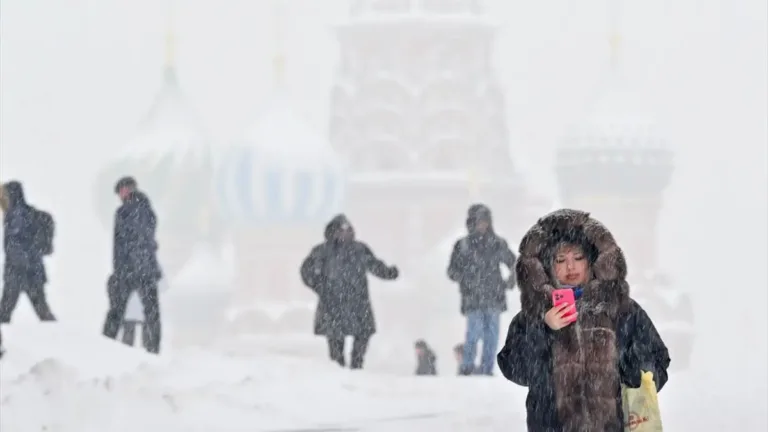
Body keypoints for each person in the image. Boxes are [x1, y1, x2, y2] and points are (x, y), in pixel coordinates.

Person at [497, 209, 671, 432]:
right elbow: (515, 369)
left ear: (593, 261)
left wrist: (634, 368)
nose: (571, 267)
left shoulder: (622, 310)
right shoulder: (531, 317)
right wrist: (542, 329)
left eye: (578, 258)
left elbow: (656, 362)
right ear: (547, 266)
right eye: (561, 260)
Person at [300, 214, 399, 370]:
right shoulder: (322, 251)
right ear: (333, 232)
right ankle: (338, 370)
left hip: (357, 302)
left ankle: (356, 366)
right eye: (341, 230)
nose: (345, 233)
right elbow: (306, 272)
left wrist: (389, 273)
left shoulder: (359, 249)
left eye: (348, 230)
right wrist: (321, 288)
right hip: (333, 303)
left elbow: (374, 265)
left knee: (362, 336)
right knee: (335, 342)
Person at [447, 204, 516, 376]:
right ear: (471, 223)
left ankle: (487, 368)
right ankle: (467, 366)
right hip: (472, 297)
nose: (482, 225)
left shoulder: (498, 244)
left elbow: (514, 264)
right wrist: (465, 278)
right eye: (478, 222)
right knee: (473, 334)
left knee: (491, 337)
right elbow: (452, 271)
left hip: (494, 296)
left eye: (485, 222)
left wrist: (511, 280)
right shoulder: (462, 246)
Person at [102, 177, 163, 354]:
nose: (120, 195)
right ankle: (153, 350)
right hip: (145, 268)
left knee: (116, 312)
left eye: (121, 191)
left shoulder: (125, 212)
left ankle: (105, 346)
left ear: (128, 189)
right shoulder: (148, 210)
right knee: (151, 313)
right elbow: (146, 238)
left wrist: (119, 270)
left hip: (130, 270)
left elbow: (121, 246)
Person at [0, 181, 56, 323]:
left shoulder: (15, 214)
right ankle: (59, 335)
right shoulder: (27, 212)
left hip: (19, 272)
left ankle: (60, 335)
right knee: (42, 311)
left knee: (4, 312)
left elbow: (15, 243)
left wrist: (20, 264)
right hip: (33, 271)